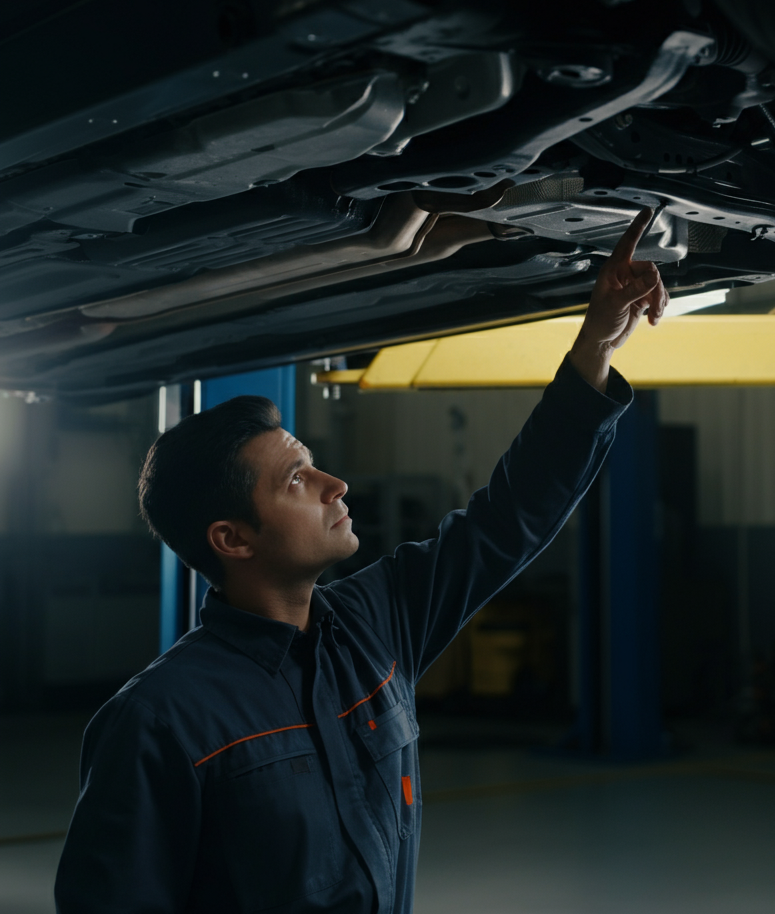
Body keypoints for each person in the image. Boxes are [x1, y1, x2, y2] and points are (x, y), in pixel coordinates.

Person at [54, 209, 669, 914]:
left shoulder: (376, 624)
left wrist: (596, 344)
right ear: (233, 539)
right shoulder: (159, 721)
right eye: (295, 480)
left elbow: (509, 519)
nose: (334, 485)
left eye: (312, 466)